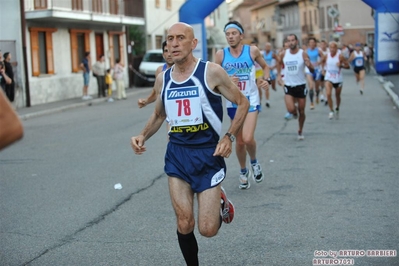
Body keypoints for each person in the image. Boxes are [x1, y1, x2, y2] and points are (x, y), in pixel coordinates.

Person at [130, 22, 249, 266]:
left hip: (208, 155)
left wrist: (229, 136)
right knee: (184, 222)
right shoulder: (163, 79)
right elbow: (159, 115)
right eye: (170, 38)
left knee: (207, 229)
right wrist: (142, 135)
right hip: (177, 155)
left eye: (180, 38)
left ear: (193, 44)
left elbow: (243, 102)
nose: (174, 43)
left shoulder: (211, 72)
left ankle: (220, 200)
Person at [215, 20, 270, 189]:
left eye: (233, 33)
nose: (230, 37)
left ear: (241, 35)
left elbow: (265, 67)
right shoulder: (220, 55)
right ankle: (243, 170)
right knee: (239, 142)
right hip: (233, 103)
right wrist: (226, 81)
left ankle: (254, 162)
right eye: (228, 34)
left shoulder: (252, 50)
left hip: (251, 100)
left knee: (247, 138)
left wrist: (265, 79)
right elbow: (213, 80)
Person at [277, 34, 314, 140]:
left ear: (297, 41)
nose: (291, 42)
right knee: (291, 109)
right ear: (287, 43)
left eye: (293, 40)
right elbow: (279, 63)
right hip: (289, 85)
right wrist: (279, 75)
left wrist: (309, 65)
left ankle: (300, 130)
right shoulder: (284, 54)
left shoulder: (303, 54)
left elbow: (312, 70)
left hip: (301, 85)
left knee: (302, 111)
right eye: (289, 41)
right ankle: (294, 112)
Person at [138, 40, 174, 108]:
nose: (169, 54)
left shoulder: (184, 69)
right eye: (166, 51)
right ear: (163, 55)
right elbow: (156, 92)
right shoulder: (160, 70)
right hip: (166, 110)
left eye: (171, 50)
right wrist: (146, 101)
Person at [321, 41, 350, 120]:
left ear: (336, 48)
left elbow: (348, 66)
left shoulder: (340, 56)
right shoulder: (326, 56)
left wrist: (341, 65)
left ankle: (337, 107)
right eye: (331, 47)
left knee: (337, 96)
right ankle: (331, 110)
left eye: (334, 47)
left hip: (338, 78)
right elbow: (322, 62)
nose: (332, 49)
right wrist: (323, 70)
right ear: (329, 48)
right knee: (328, 94)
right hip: (328, 77)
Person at [305, 38, 324, 109]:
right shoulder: (306, 51)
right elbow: (303, 59)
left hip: (317, 70)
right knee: (311, 86)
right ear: (309, 44)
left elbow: (323, 57)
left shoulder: (318, 50)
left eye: (313, 42)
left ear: (315, 43)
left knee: (316, 87)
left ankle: (317, 95)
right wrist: (307, 64)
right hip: (309, 69)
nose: (312, 44)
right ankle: (311, 102)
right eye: (311, 42)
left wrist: (319, 62)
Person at [262, 42, 278, 107]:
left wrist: (273, 67)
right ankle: (267, 101)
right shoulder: (263, 54)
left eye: (268, 47)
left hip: (272, 72)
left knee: (273, 86)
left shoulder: (273, 54)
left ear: (270, 47)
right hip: (267, 73)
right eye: (266, 47)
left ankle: (274, 88)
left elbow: (278, 61)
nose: (267, 48)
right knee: (267, 86)